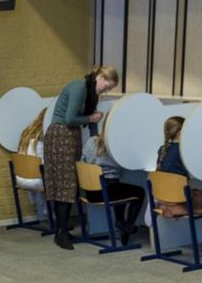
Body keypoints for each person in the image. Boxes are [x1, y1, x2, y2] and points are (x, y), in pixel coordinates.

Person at [44, 65, 120, 249]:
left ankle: (60, 229)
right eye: (107, 86)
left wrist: (98, 141)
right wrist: (91, 119)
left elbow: (88, 120)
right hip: (62, 135)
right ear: (100, 77)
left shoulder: (90, 92)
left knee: (65, 185)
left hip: (69, 136)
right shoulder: (79, 88)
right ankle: (61, 233)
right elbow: (70, 119)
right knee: (66, 185)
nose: (107, 90)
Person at [81, 131, 143, 245]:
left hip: (90, 192)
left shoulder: (90, 141)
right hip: (105, 191)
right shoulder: (115, 146)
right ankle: (124, 228)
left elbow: (82, 160)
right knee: (139, 192)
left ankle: (121, 223)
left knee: (121, 189)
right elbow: (129, 163)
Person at [154, 116, 202, 217]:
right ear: (181, 131)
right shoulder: (182, 151)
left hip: (165, 200)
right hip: (181, 201)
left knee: (197, 191)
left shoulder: (162, 150)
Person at [14, 107, 49, 223]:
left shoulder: (26, 134)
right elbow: (44, 165)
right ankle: (51, 214)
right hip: (37, 180)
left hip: (21, 178)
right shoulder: (43, 137)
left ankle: (44, 213)